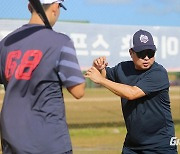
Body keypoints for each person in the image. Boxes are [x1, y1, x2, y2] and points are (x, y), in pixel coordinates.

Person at [0, 0, 85, 153]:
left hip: (11, 138)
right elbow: (78, 91)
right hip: (48, 140)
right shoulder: (61, 42)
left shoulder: (5, 43)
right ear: (55, 7)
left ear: (29, 7)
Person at [85, 30, 177, 154]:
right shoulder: (123, 68)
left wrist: (101, 80)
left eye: (150, 53)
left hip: (160, 145)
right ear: (131, 52)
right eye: (141, 53)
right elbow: (104, 75)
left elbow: (131, 93)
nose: (146, 58)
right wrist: (99, 67)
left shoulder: (159, 73)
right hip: (133, 146)